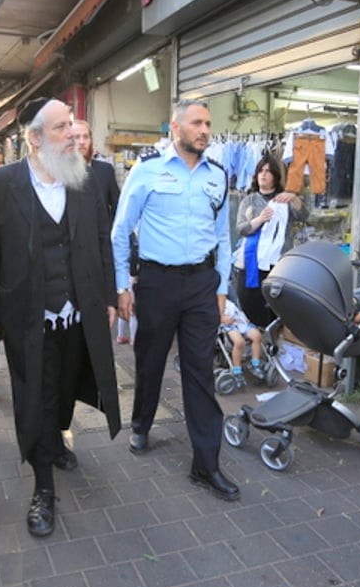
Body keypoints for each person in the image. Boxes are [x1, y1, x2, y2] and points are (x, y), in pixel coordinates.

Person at [0, 97, 121, 537]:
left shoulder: (85, 180)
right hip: (25, 315)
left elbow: (101, 242)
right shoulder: (1, 184)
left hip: (78, 313)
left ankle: (55, 440)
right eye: (61, 128)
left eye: (73, 126)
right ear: (34, 138)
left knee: (65, 384)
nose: (73, 134)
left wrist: (109, 296)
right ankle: (42, 487)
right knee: (33, 395)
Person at [112, 99, 238, 501]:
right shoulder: (147, 171)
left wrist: (221, 289)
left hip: (202, 283)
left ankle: (206, 464)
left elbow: (223, 237)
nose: (204, 130)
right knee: (149, 361)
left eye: (208, 124)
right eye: (196, 123)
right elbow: (120, 230)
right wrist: (122, 286)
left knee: (199, 371)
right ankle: (141, 424)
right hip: (157, 283)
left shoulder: (217, 176)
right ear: (175, 127)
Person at [233, 153, 308, 328]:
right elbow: (241, 229)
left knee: (278, 306)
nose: (263, 174)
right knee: (251, 305)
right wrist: (259, 220)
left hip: (280, 264)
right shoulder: (248, 201)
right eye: (260, 171)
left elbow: (304, 216)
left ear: (275, 176)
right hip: (252, 263)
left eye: (268, 171)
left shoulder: (284, 199)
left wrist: (295, 199)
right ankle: (256, 344)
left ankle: (277, 345)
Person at [71, 119, 120, 218]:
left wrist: (107, 230)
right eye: (76, 137)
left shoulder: (105, 171)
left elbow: (118, 207)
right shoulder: (61, 173)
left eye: (86, 137)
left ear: (91, 140)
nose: (82, 142)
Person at [220, 298, 264, 383]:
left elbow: (238, 309)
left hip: (239, 321)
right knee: (239, 342)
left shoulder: (230, 300)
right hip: (228, 325)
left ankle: (255, 363)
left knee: (257, 336)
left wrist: (244, 317)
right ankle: (237, 370)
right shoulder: (210, 300)